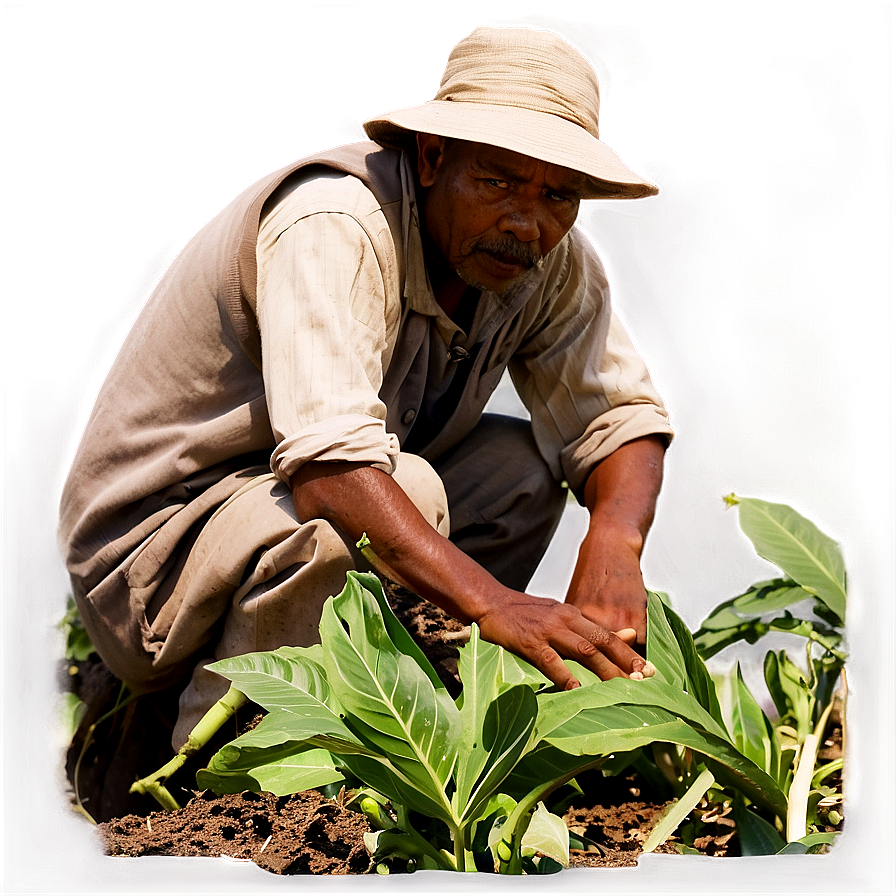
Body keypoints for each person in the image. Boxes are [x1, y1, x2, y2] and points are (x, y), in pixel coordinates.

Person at [56, 24, 674, 754]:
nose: (526, 221)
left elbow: (623, 415)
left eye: (559, 195)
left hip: (284, 509)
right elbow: (329, 473)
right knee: (399, 490)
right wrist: (496, 605)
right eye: (498, 181)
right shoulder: (336, 221)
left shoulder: (545, 258)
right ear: (433, 156)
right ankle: (235, 772)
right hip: (150, 563)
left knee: (520, 472)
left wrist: (614, 536)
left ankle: (399, 706)